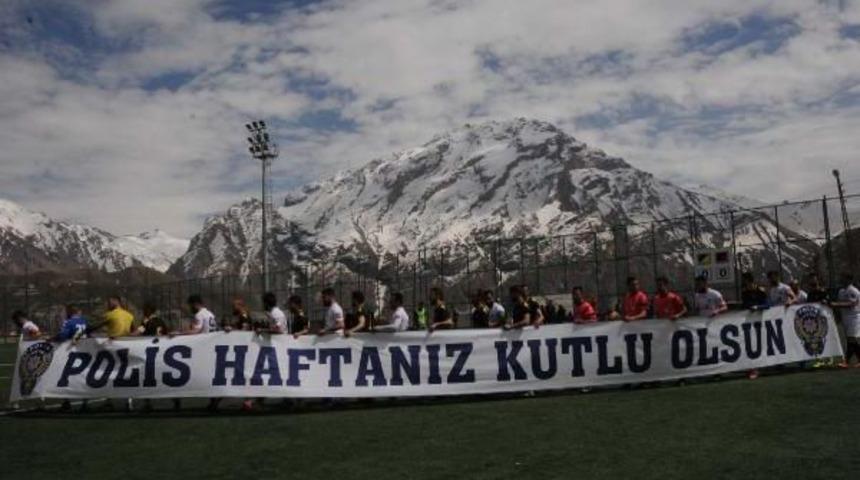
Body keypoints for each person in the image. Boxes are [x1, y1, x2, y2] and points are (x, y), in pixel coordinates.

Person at [832, 273, 860, 368]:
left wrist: (836, 305)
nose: (841, 280)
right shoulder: (841, 291)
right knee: (850, 340)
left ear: (849, 280)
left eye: (843, 278)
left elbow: (851, 304)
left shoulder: (853, 290)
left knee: (852, 339)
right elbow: (840, 302)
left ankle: (846, 362)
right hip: (845, 317)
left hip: (854, 317)